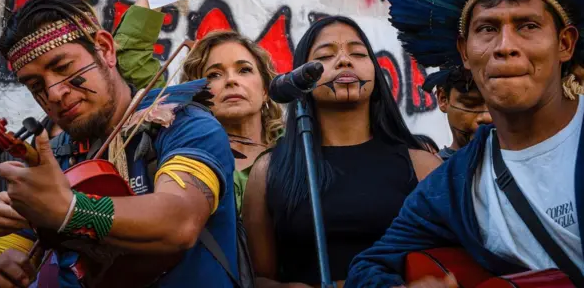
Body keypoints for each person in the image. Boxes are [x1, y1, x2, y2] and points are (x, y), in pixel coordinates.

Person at [347, 0, 584, 287]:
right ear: (465, 51)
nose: (505, 45)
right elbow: (368, 267)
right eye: (488, 28)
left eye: (528, 25)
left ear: (564, 44)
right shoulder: (454, 183)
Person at [0, 0, 238, 288]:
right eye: (36, 85)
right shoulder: (52, 160)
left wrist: (70, 210)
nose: (53, 93)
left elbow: (180, 222)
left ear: (105, 49)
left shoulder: (184, 124)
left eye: (63, 68)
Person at [243, 16, 442, 287]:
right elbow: (258, 279)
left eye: (358, 53)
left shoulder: (423, 166)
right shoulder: (267, 172)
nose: (344, 61)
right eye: (325, 56)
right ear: (301, 79)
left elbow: (448, 263)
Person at [180, 30, 283, 214]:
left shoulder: (297, 147)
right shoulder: (189, 155)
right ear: (197, 94)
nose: (231, 80)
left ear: (265, 90)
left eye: (244, 70)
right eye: (214, 75)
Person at [422, 67, 491, 160]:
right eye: (470, 104)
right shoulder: (430, 170)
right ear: (443, 99)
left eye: (499, 105)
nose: (488, 117)